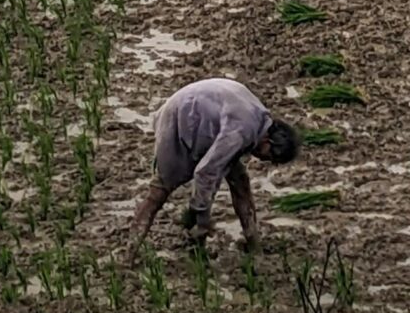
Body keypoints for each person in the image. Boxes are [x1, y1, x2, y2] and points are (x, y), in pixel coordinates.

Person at [128, 76, 299, 252]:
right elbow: (206, 172)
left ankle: (254, 245)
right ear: (268, 142)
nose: (262, 160)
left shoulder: (259, 117)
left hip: (202, 118)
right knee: (159, 192)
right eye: (268, 157)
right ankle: (130, 253)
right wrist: (202, 218)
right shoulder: (243, 131)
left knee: (241, 184)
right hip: (179, 121)